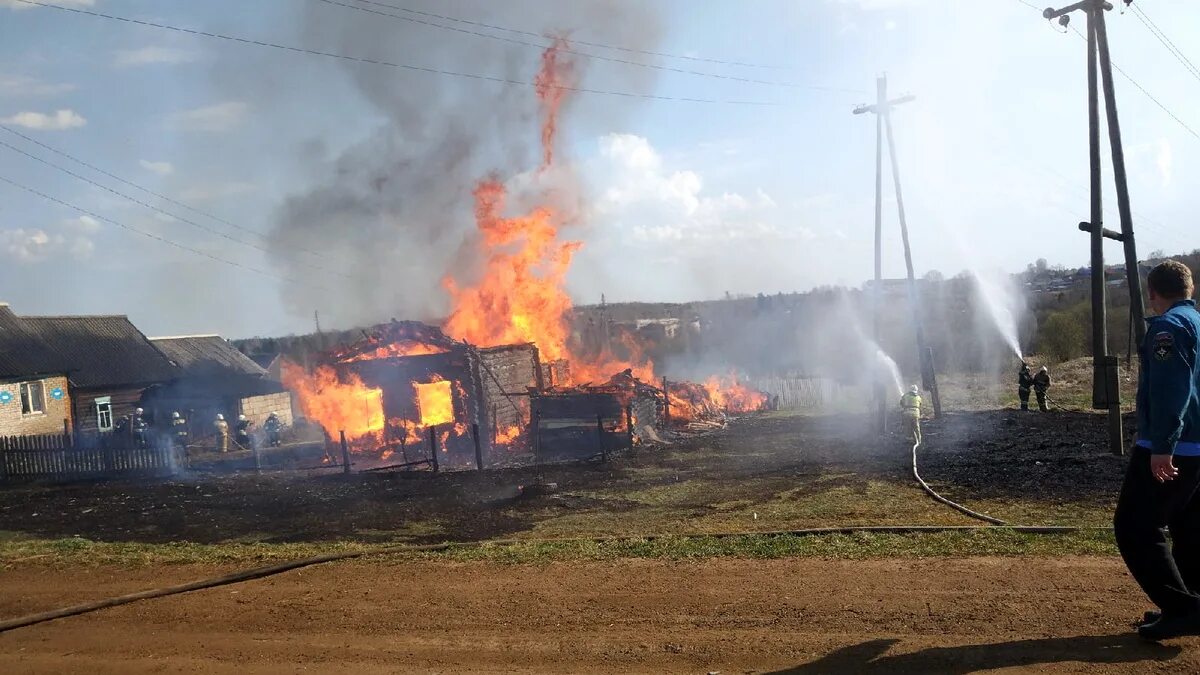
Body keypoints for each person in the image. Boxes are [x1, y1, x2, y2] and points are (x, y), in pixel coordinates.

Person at [1113, 260, 1200, 641]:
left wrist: (1163, 445)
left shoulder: (1167, 328)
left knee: (1134, 526)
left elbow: (1170, 390)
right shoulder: (1196, 322)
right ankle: (1187, 599)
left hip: (1173, 445)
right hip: (1197, 445)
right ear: (1190, 288)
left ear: (1152, 294)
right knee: (1189, 526)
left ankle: (1184, 610)